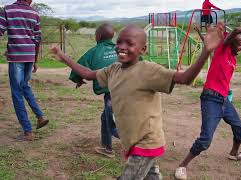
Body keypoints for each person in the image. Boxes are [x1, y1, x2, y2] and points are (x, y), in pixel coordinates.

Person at [50, 22, 225, 179]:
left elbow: (185, 78)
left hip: (146, 142)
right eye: (119, 42)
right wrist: (63, 57)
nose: (122, 47)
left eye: (129, 43)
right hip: (131, 141)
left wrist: (206, 51)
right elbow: (88, 74)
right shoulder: (113, 70)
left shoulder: (148, 71)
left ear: (143, 50)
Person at [175, 26, 241, 180]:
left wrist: (202, 35)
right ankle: (182, 166)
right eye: (239, 44)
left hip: (224, 100)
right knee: (205, 140)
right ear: (230, 43)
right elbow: (236, 30)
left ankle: (234, 154)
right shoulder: (223, 49)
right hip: (210, 99)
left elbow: (212, 45)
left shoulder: (232, 57)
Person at [0, 0, 48, 141]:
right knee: (25, 86)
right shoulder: (34, 13)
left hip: (16, 57)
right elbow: (38, 38)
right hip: (30, 55)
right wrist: (35, 60)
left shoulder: (8, 9)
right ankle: (40, 117)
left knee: (16, 92)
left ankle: (27, 132)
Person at [68, 23, 119, 158]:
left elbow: (78, 67)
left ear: (98, 36)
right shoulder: (120, 49)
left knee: (112, 123)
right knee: (106, 118)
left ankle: (140, 141)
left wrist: (77, 79)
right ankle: (107, 148)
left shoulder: (94, 52)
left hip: (112, 94)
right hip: (129, 90)